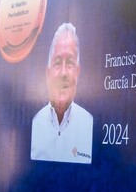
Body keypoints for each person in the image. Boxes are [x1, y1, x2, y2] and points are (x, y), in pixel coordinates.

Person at [31, 23, 93, 164]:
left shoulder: (89, 124)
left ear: (78, 72)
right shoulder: (35, 123)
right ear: (47, 74)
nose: (64, 73)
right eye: (58, 63)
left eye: (70, 63)